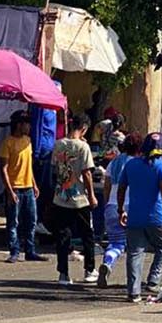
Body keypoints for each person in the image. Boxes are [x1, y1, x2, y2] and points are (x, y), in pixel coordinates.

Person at [118, 133, 162, 302]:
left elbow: (121, 189)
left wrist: (120, 210)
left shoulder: (131, 165)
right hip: (156, 217)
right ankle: (153, 280)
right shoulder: (160, 166)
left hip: (135, 217)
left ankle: (133, 292)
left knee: (135, 253)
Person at [51, 115, 97, 286]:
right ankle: (89, 269)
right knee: (87, 234)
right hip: (80, 198)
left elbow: (56, 168)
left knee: (63, 236)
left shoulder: (58, 144)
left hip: (61, 196)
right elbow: (87, 173)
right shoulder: (83, 147)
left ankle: (63, 273)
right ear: (84, 128)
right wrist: (91, 195)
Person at [0, 111, 45, 263]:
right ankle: (14, 251)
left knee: (31, 220)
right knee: (13, 221)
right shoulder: (7, 143)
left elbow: (29, 166)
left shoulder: (28, 141)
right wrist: (9, 190)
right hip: (15, 188)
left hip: (29, 188)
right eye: (26, 123)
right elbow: (3, 168)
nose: (29, 127)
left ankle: (30, 251)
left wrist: (34, 184)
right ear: (19, 125)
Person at [96, 134, 134, 288]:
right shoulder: (136, 163)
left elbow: (107, 186)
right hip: (129, 206)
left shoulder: (113, 162)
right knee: (134, 246)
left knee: (115, 242)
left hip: (112, 206)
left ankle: (108, 261)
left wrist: (107, 204)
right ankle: (133, 280)